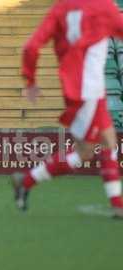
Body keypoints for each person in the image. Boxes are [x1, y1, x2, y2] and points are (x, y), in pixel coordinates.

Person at [13, 0, 123, 218]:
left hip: (78, 86)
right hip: (87, 88)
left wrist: (30, 80)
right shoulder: (104, 6)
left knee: (107, 143)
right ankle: (25, 181)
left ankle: (117, 205)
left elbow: (31, 46)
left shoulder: (60, 7)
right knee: (87, 151)